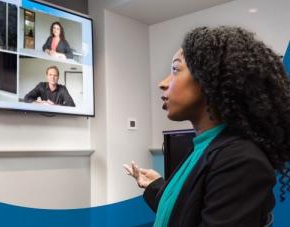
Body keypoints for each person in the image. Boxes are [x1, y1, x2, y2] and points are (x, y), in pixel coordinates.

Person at [124, 26, 290, 227]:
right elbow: (184, 212)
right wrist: (154, 185)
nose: (163, 83)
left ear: (210, 79)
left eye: (175, 70)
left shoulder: (240, 160)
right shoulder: (204, 146)